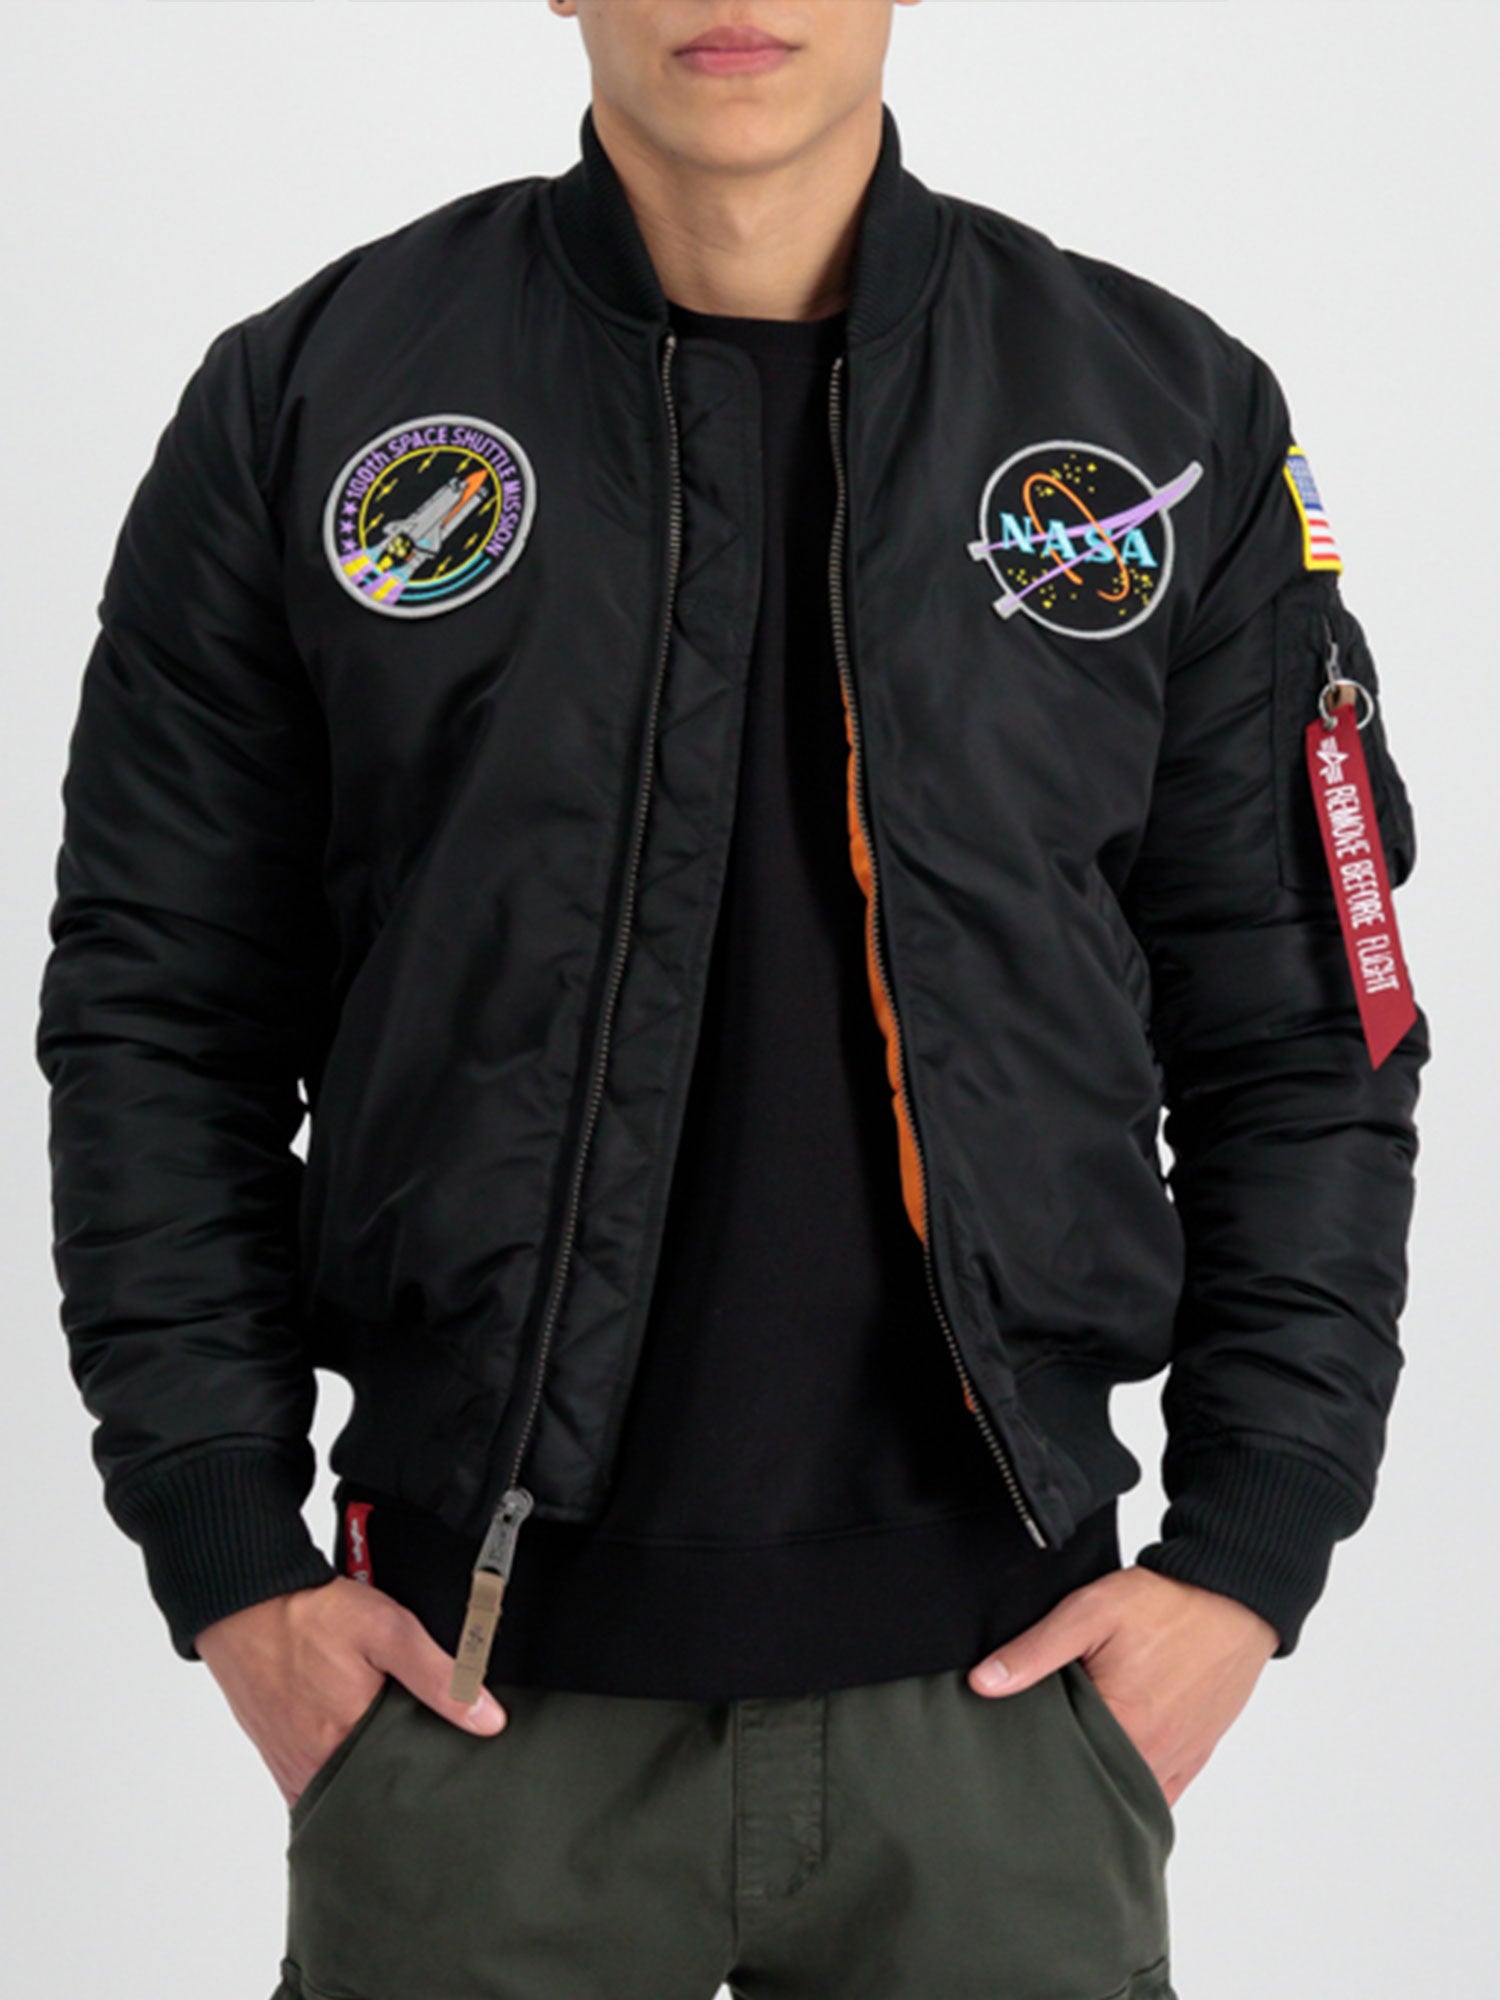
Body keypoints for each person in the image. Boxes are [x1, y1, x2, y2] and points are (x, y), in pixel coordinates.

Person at [36, 3, 1429, 1995]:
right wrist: (230, 1555)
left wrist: (1247, 1552)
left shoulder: (1160, 415)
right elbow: (159, 1016)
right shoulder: (317, 398)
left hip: (1001, 1733)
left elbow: (1309, 1026)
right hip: (464, 1720)